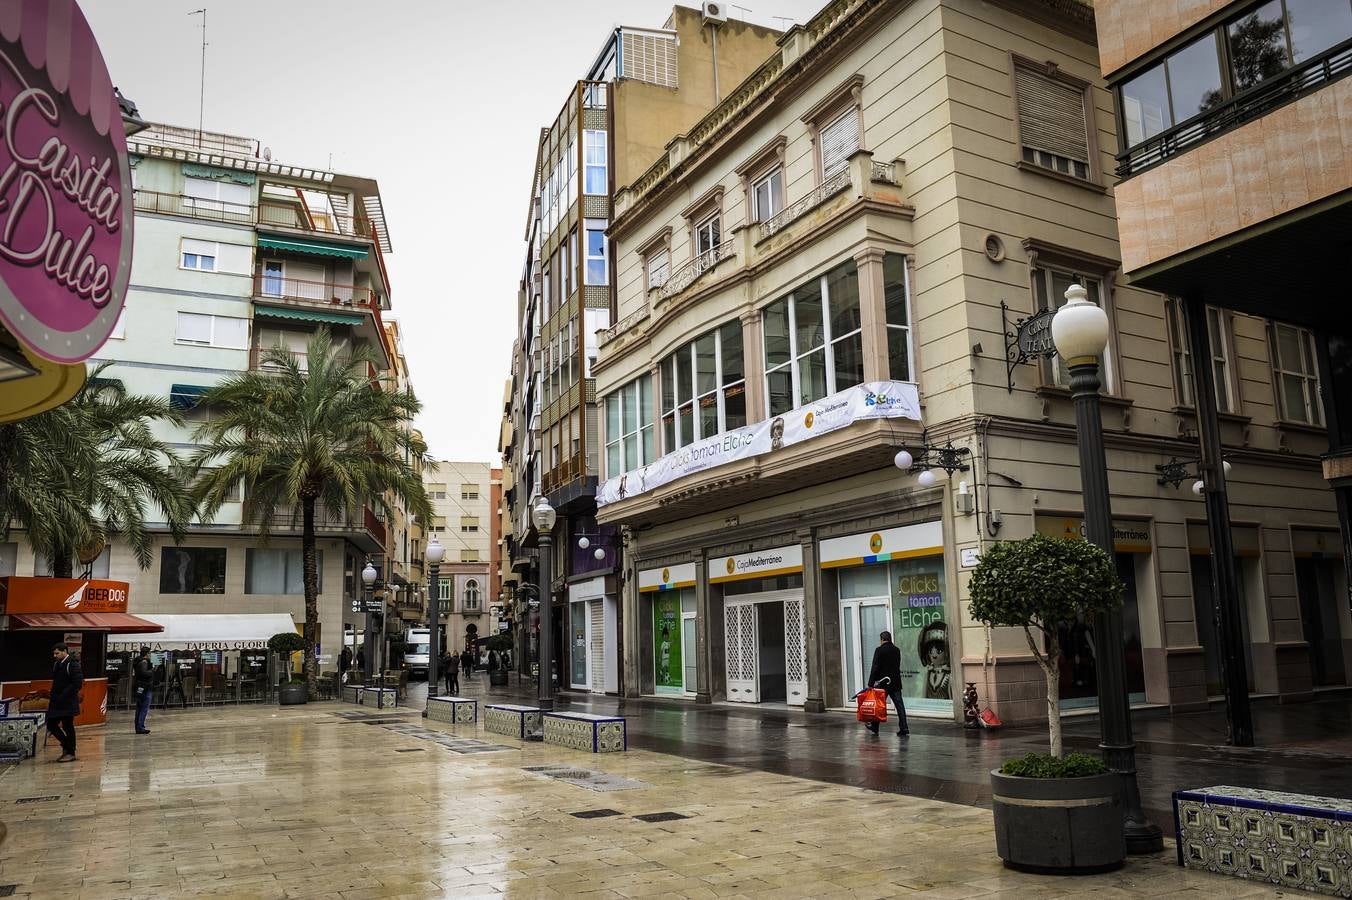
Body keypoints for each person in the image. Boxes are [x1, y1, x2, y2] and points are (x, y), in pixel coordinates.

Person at [865, 631, 909, 737]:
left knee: (879, 706)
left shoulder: (879, 650)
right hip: (895, 682)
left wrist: (871, 683)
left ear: (882, 639)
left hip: (883, 683)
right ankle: (904, 727)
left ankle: (875, 727)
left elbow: (875, 667)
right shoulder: (896, 650)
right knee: (900, 706)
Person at [48, 643, 83, 761]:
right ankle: (66, 746)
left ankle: (70, 751)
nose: (55, 655)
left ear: (64, 651)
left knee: (68, 726)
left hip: (68, 701)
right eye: (54, 653)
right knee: (51, 724)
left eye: (57, 653)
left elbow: (77, 683)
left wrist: (63, 695)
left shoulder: (72, 664)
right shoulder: (57, 664)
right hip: (56, 701)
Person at [133, 646, 154, 735]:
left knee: (139, 707)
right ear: (147, 654)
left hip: (139, 686)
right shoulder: (144, 662)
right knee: (144, 708)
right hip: (145, 687)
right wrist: (152, 671)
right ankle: (140, 727)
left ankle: (138, 727)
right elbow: (144, 673)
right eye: (149, 653)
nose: (150, 655)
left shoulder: (138, 661)